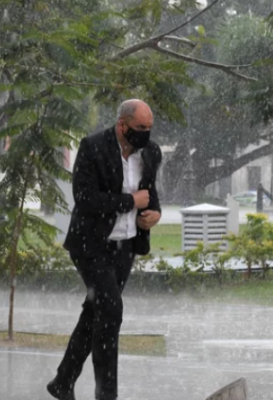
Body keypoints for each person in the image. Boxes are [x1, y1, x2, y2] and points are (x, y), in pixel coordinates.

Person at [47, 99, 162, 400]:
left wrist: (154, 214)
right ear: (122, 124)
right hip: (91, 244)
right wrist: (128, 202)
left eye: (149, 128)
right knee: (110, 311)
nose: (146, 134)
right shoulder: (93, 146)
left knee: (95, 312)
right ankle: (106, 394)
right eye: (140, 128)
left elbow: (149, 194)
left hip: (125, 247)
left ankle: (62, 382)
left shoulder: (150, 152)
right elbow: (85, 199)